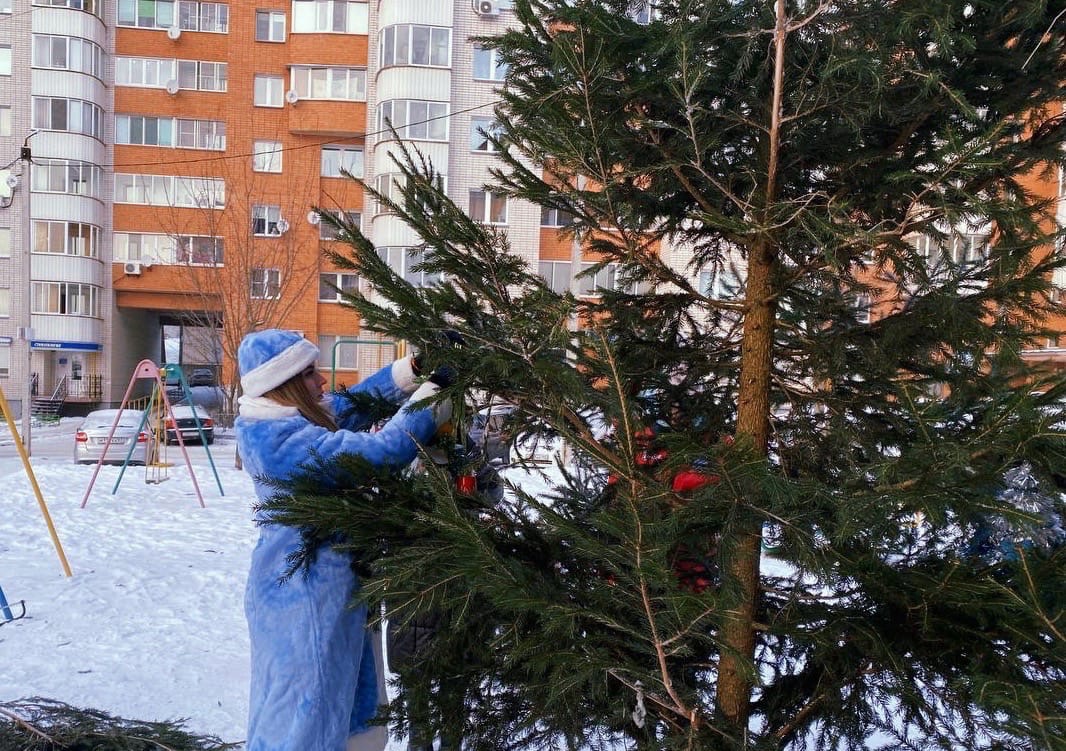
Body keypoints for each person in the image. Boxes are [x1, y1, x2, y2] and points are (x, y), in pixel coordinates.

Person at [235, 329, 452, 751]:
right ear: (287, 384)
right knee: (304, 716)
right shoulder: (282, 442)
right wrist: (436, 393)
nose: (321, 382)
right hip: (305, 596)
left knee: (342, 704)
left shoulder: (286, 419)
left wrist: (413, 372)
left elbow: (350, 406)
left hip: (325, 589)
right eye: (311, 373)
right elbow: (382, 453)